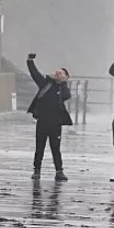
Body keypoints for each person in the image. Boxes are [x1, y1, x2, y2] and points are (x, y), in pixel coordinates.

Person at [26, 53, 73, 181]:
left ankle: (59, 171)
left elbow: (66, 96)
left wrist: (62, 83)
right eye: (58, 72)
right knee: (39, 146)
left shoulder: (63, 89)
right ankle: (37, 170)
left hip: (56, 123)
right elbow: (35, 74)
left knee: (55, 148)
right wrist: (30, 61)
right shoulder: (46, 84)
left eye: (62, 73)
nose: (58, 73)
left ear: (66, 78)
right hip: (42, 120)